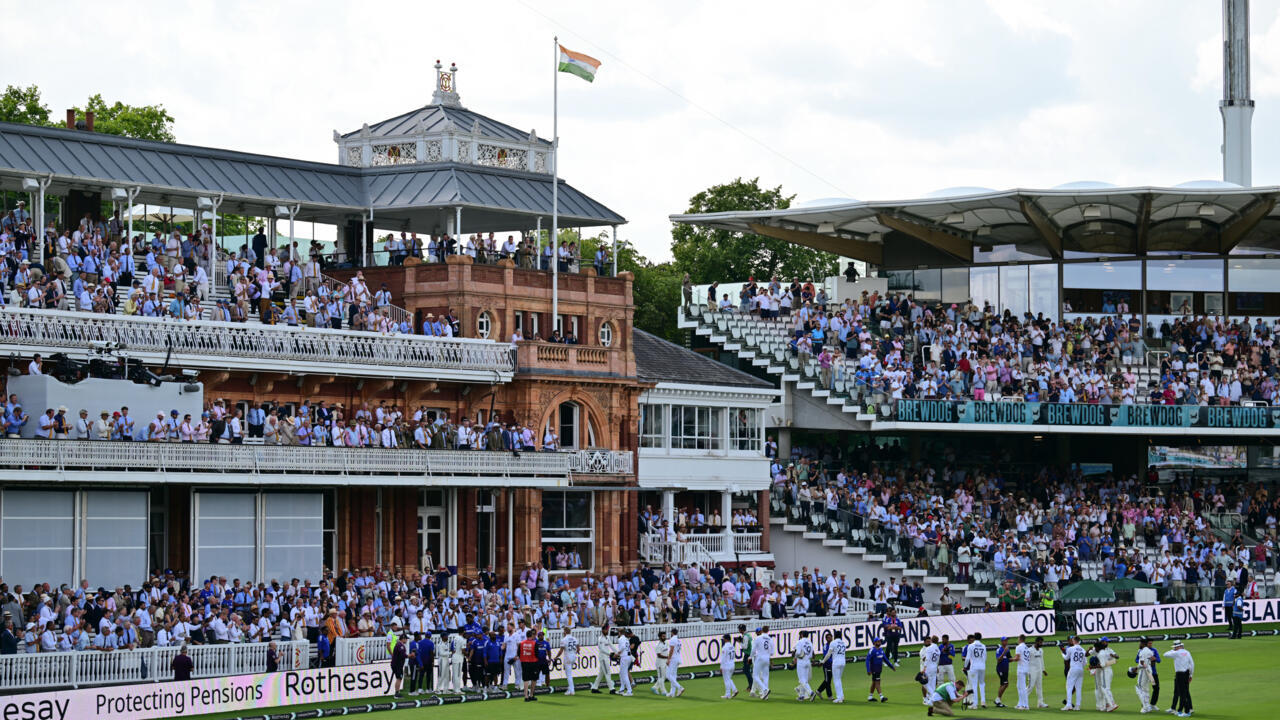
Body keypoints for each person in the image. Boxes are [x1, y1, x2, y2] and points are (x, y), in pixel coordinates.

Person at [1163, 640, 1194, 717]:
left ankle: (1186, 712)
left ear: (1178, 647)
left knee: (1182, 693)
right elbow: (1192, 664)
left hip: (1180, 674)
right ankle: (1183, 710)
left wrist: (1172, 650)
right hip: (1186, 674)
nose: (1175, 648)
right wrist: (1191, 675)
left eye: (1175, 647)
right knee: (1184, 692)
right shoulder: (1187, 652)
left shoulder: (1176, 653)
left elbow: (1165, 655)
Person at [1087, 637, 1118, 712]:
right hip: (1103, 671)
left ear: (1098, 648)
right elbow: (1087, 654)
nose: (1107, 643)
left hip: (1105, 671)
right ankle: (1106, 705)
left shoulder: (1102, 653)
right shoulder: (1100, 650)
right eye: (1106, 642)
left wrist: (1092, 667)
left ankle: (1112, 704)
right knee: (1102, 688)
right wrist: (1088, 649)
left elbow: (1103, 665)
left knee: (1105, 688)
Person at [865, 636, 895, 703]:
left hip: (879, 670)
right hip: (874, 669)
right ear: (875, 642)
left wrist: (891, 666)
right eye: (878, 641)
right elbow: (867, 660)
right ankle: (881, 697)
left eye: (880, 641)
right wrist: (868, 670)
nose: (879, 642)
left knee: (874, 682)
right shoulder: (872, 650)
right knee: (877, 682)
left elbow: (885, 659)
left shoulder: (881, 650)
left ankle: (870, 697)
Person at [1061, 635, 1087, 711]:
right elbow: (1085, 663)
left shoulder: (1071, 649)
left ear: (1074, 641)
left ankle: (1068, 705)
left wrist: (1062, 653)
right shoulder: (1083, 650)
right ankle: (1078, 706)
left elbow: (1066, 658)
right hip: (1081, 670)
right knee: (1078, 688)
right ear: (1079, 641)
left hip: (1073, 669)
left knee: (1069, 687)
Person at [964, 633, 988, 709]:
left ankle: (975, 703)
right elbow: (985, 657)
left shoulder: (971, 646)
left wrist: (965, 666)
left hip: (974, 666)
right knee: (982, 684)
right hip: (982, 666)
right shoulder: (983, 646)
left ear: (974, 638)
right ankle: (983, 701)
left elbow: (967, 658)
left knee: (974, 684)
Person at [822, 632, 848, 703]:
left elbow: (828, 654)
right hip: (843, 662)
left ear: (835, 636)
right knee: (839, 679)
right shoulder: (843, 643)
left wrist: (823, 661)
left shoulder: (833, 643)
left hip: (836, 662)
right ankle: (841, 696)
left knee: (836, 680)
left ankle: (839, 698)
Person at [1134, 637, 1157, 713]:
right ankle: (1148, 707)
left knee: (1138, 688)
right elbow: (1153, 661)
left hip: (1143, 671)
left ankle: (1145, 707)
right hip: (1149, 670)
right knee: (1146, 689)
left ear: (1143, 644)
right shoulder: (1150, 651)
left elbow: (1142, 664)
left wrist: (1135, 668)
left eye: (1140, 643)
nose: (1139, 644)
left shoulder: (1142, 651)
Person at [591, 626, 616, 693]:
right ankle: (611, 689)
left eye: (607, 630)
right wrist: (610, 654)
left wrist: (617, 653)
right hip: (603, 658)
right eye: (606, 630)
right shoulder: (600, 639)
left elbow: (612, 646)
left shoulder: (607, 638)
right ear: (603, 630)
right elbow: (601, 649)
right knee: (607, 673)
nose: (607, 631)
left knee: (601, 674)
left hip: (606, 657)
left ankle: (594, 688)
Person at [752, 625, 773, 699]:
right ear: (768, 631)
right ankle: (765, 695)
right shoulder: (770, 639)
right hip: (767, 658)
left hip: (759, 657)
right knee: (765, 676)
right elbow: (772, 652)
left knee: (755, 675)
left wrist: (750, 656)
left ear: (762, 631)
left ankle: (765, 689)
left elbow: (753, 650)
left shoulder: (758, 638)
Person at [1027, 636, 1049, 709]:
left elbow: (1041, 660)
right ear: (1036, 642)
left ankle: (1040, 703)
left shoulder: (1041, 650)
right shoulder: (1029, 650)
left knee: (1039, 687)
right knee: (1031, 686)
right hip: (1032, 670)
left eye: (1042, 642)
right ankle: (1023, 702)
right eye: (1040, 642)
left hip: (1039, 670)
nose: (1041, 643)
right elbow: (1026, 661)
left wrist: (1043, 670)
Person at [793, 629, 814, 701]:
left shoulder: (800, 642)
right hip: (808, 661)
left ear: (802, 635)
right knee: (805, 680)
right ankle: (801, 696)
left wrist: (795, 657)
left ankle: (811, 692)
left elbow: (798, 652)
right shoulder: (810, 643)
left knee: (802, 680)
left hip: (801, 662)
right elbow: (811, 655)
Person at [919, 635, 941, 703]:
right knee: (929, 683)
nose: (929, 642)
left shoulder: (930, 648)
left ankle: (932, 697)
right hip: (929, 667)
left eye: (929, 641)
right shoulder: (937, 649)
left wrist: (925, 668)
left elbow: (928, 659)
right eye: (927, 641)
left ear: (931, 641)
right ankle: (928, 699)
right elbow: (936, 659)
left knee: (928, 683)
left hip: (929, 667)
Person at [519, 631, 539, 701]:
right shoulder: (534, 643)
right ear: (532, 635)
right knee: (534, 679)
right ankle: (531, 695)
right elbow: (537, 654)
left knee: (526, 679)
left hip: (524, 662)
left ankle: (526, 696)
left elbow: (519, 653)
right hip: (533, 662)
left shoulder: (521, 643)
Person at [557, 627, 578, 695]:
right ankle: (570, 689)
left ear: (565, 632)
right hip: (573, 656)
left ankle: (572, 690)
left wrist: (556, 657)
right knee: (569, 673)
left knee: (568, 675)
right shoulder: (575, 638)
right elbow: (578, 648)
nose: (563, 632)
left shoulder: (564, 639)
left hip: (568, 656)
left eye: (564, 631)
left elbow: (561, 651)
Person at [665, 627, 685, 697]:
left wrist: (668, 659)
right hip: (678, 658)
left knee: (668, 675)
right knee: (673, 676)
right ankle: (672, 692)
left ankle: (680, 687)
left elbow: (671, 650)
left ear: (672, 633)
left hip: (673, 659)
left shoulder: (672, 639)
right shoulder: (678, 640)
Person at [719, 634, 740, 699]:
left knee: (726, 680)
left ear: (726, 639)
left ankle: (728, 694)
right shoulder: (732, 646)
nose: (723, 639)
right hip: (732, 664)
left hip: (726, 665)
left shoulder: (725, 647)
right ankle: (734, 690)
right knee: (729, 679)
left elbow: (723, 658)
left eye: (724, 638)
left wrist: (721, 667)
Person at [617, 628, 635, 696]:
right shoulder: (626, 639)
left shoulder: (621, 638)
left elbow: (623, 647)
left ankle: (629, 691)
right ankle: (621, 689)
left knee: (624, 674)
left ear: (620, 633)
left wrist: (618, 653)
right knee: (621, 673)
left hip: (624, 657)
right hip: (628, 656)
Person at [390, 631, 408, 696]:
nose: (406, 640)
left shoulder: (399, 645)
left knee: (399, 678)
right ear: (403, 639)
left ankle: (397, 692)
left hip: (397, 664)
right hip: (397, 665)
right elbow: (402, 655)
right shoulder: (400, 645)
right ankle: (397, 693)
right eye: (406, 639)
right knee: (399, 678)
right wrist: (409, 655)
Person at [653, 631, 670, 696]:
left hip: (665, 662)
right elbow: (659, 655)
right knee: (660, 677)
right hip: (660, 663)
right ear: (660, 637)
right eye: (663, 636)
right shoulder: (658, 645)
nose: (665, 637)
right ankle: (664, 692)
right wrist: (667, 657)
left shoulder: (665, 643)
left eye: (665, 636)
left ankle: (655, 687)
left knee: (664, 676)